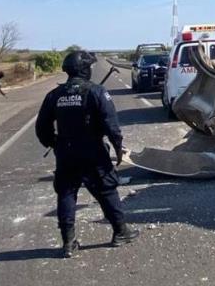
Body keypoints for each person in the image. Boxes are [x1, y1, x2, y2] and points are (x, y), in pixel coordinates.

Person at [35, 50, 139, 258]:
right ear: (84, 69)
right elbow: (112, 126)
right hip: (93, 150)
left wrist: (54, 143)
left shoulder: (55, 95)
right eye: (89, 67)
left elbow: (42, 127)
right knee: (107, 190)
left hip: (66, 152)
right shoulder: (96, 92)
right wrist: (118, 148)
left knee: (66, 193)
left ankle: (67, 242)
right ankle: (120, 232)